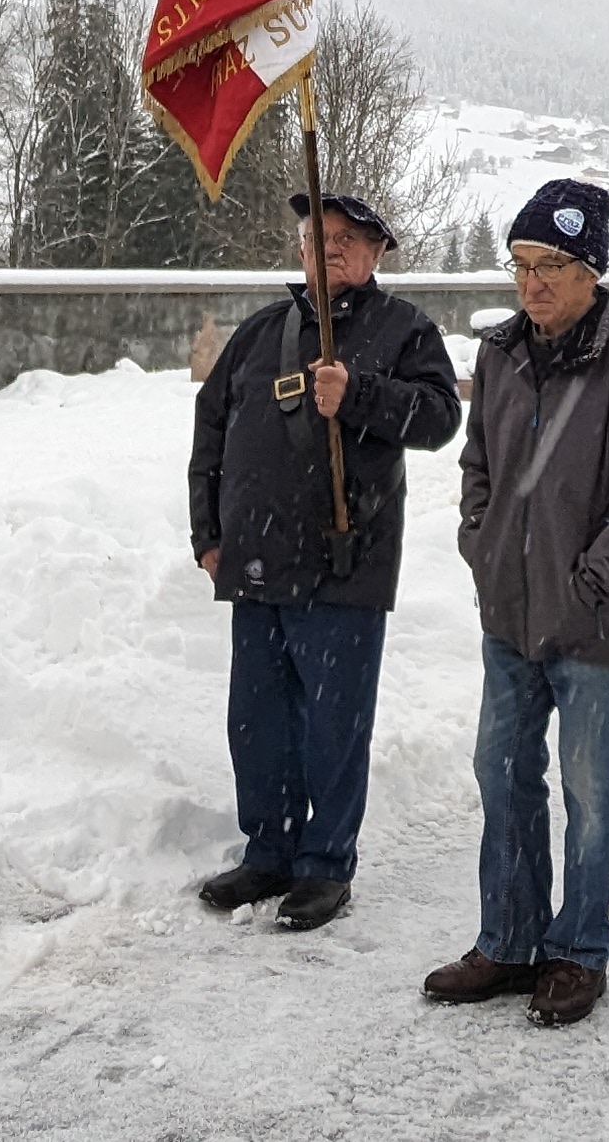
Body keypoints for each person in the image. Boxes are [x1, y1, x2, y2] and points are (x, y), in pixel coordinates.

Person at [423, 177, 609, 1029]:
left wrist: (591, 578)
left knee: (590, 792)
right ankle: (508, 941)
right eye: (521, 264)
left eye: (551, 265)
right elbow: (479, 467)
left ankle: (578, 950)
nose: (532, 282)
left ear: (592, 273)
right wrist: (481, 542)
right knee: (502, 775)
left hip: (596, 627)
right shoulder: (500, 355)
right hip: (509, 618)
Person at [185, 191, 465, 933]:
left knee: (333, 727)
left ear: (377, 254)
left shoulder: (405, 330)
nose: (331, 248)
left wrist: (362, 394)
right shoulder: (260, 333)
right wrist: (206, 535)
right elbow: (210, 431)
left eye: (349, 239)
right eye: (319, 237)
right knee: (258, 720)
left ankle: (325, 865)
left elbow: (441, 418)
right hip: (253, 564)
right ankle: (268, 850)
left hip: (347, 564)